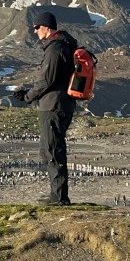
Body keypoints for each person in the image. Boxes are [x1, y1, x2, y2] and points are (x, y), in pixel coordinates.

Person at [13, 11, 78, 205]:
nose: (35, 31)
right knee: (50, 149)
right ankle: (56, 194)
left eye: (37, 27)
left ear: (47, 27)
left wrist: (27, 96)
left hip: (53, 106)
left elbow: (47, 80)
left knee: (53, 150)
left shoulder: (55, 48)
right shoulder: (61, 46)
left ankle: (59, 198)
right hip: (59, 104)